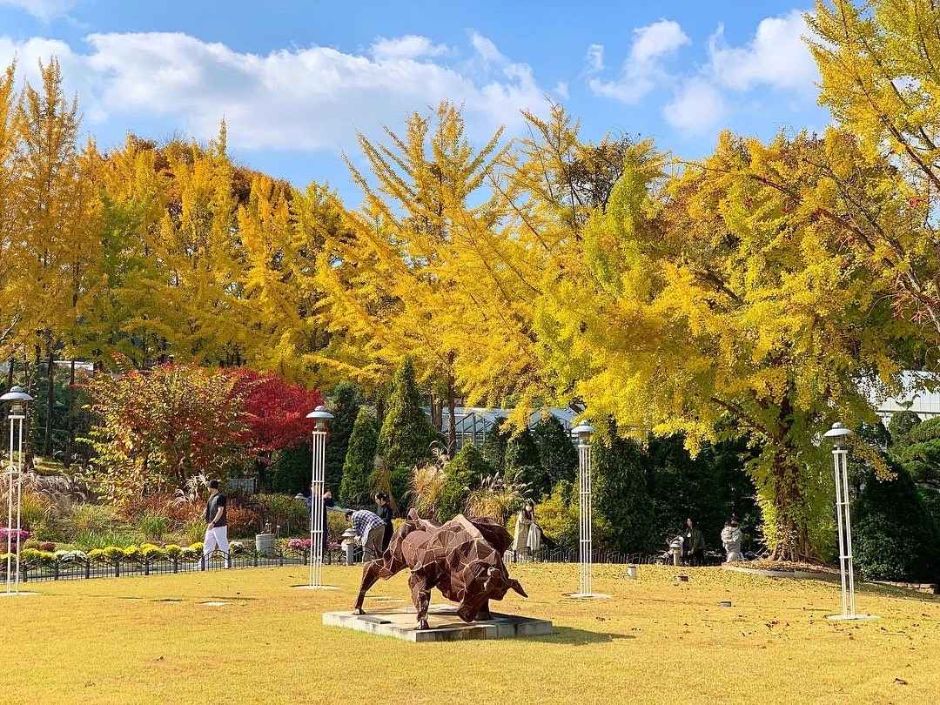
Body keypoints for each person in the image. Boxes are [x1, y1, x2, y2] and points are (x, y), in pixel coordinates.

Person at [203, 479, 230, 567]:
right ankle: (203, 564)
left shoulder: (221, 497)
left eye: (208, 487)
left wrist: (214, 522)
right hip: (211, 525)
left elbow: (220, 510)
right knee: (208, 544)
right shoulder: (211, 497)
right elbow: (211, 509)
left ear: (211, 487)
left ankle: (228, 563)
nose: (207, 488)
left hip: (219, 525)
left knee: (222, 544)